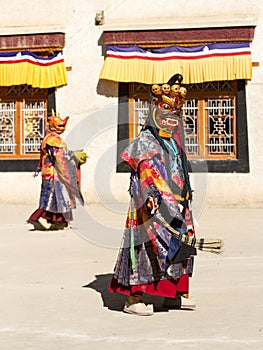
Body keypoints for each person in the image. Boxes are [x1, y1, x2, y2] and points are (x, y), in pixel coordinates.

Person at [109, 73, 197, 316]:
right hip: (153, 204)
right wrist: (158, 198)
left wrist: (183, 202)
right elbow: (149, 173)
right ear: (155, 113)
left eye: (175, 113)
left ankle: (174, 295)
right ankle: (133, 299)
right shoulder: (146, 141)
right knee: (148, 248)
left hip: (178, 203)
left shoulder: (173, 143)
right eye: (166, 113)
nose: (171, 118)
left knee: (181, 245)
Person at [27, 112, 88, 231]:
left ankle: (60, 222)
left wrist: (71, 154)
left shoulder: (53, 138)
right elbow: (58, 156)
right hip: (52, 173)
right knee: (48, 198)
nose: (63, 129)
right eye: (60, 126)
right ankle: (34, 218)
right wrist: (73, 156)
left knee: (60, 198)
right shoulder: (52, 140)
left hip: (55, 173)